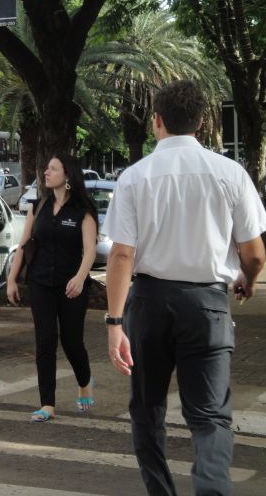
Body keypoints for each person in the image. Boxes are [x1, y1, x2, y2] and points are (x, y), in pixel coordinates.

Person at [103, 80, 266, 496]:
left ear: (156, 121)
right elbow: (255, 252)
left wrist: (114, 322)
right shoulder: (231, 173)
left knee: (147, 409)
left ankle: (161, 491)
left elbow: (121, 256)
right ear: (200, 122)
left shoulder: (135, 177)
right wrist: (246, 279)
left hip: (150, 302)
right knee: (210, 417)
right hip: (208, 304)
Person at [5, 154, 97, 422]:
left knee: (71, 342)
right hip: (40, 283)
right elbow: (24, 246)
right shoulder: (38, 206)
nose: (46, 172)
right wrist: (12, 279)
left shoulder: (83, 211)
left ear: (67, 175)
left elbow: (90, 251)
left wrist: (80, 278)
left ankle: (84, 380)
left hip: (71, 287)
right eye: (46, 168)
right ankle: (47, 404)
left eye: (53, 169)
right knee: (45, 341)